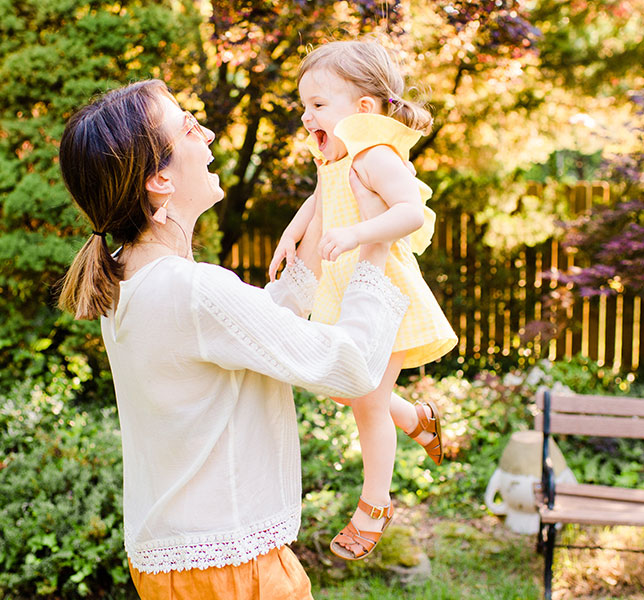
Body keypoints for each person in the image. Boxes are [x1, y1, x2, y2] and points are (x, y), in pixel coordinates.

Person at [56, 79, 412, 599]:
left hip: (178, 568)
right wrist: (377, 242)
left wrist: (326, 196)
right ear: (159, 178)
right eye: (190, 128)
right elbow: (352, 367)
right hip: (230, 572)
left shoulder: (128, 275)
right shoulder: (192, 290)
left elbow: (258, 326)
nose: (211, 134)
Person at [269, 39, 458, 561]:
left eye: (318, 105)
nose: (307, 117)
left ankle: (375, 504)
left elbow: (409, 213)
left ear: (364, 109)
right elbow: (319, 199)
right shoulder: (336, 156)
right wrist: (291, 235)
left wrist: (356, 235)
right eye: (304, 106)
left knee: (367, 402)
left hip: (385, 293)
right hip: (347, 290)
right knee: (343, 387)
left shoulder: (376, 155)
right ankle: (417, 419)